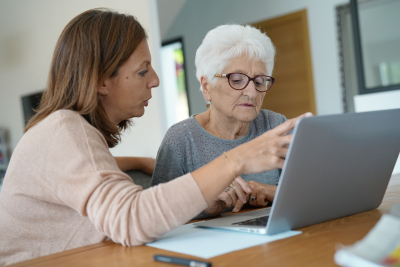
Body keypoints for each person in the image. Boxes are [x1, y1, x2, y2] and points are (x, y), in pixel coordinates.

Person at [0, 9, 308, 266]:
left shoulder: (65, 132)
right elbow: (132, 219)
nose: (156, 80)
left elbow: (86, 176)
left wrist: (138, 162)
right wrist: (237, 159)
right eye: (142, 71)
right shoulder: (64, 130)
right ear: (102, 80)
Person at [152, 24, 311, 218]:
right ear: (206, 86)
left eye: (259, 82)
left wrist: (266, 191)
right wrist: (203, 205)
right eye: (237, 80)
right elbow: (157, 215)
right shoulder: (180, 140)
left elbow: (311, 193)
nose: (252, 93)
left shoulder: (276, 125)